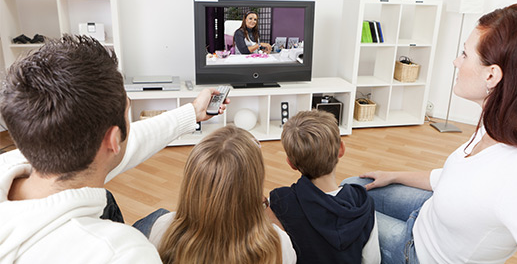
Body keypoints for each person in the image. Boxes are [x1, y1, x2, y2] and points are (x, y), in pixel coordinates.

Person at [343, 3, 517, 263]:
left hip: (417, 252)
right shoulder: (498, 122)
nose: (455, 62)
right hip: (427, 214)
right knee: (351, 187)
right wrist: (394, 175)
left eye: (464, 54)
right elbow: (456, 177)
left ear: (492, 75)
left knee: (337, 210)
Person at [0, 35, 228, 263]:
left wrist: (192, 112)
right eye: (127, 110)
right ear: (113, 140)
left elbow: (131, 141)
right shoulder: (125, 253)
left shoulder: (16, 160)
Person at [135, 125, 296, 264]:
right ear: (253, 186)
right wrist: (263, 205)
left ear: (192, 183)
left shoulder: (163, 229)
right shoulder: (278, 244)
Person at [269, 110, 381, 264]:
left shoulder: (280, 201)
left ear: (291, 163)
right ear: (341, 149)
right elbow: (372, 260)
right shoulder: (362, 202)